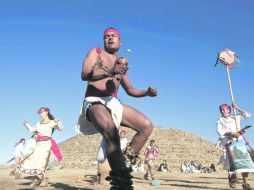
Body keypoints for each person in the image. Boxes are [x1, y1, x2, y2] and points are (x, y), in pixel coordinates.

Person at [77, 27, 157, 189]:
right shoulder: (96, 52)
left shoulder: (121, 65)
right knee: (111, 132)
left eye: (114, 36)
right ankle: (121, 183)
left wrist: (146, 93)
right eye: (106, 36)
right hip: (94, 100)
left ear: (120, 42)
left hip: (113, 102)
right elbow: (85, 74)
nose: (110, 38)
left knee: (146, 126)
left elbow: (131, 90)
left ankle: (125, 159)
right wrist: (110, 72)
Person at [16, 107, 63, 187]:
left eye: (42, 112)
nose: (40, 114)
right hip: (38, 145)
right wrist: (26, 124)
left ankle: (44, 180)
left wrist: (58, 122)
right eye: (40, 113)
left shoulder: (51, 122)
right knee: (35, 162)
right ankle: (36, 179)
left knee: (43, 162)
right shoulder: (39, 123)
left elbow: (61, 128)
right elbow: (32, 130)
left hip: (47, 144)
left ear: (47, 112)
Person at [217, 103, 254, 190]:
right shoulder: (219, 120)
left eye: (224, 109)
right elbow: (220, 132)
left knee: (245, 163)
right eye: (221, 110)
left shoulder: (235, 117)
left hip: (239, 142)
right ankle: (233, 179)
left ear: (228, 110)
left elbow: (247, 115)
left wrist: (236, 108)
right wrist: (232, 134)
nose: (222, 111)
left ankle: (245, 184)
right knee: (232, 164)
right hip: (229, 143)